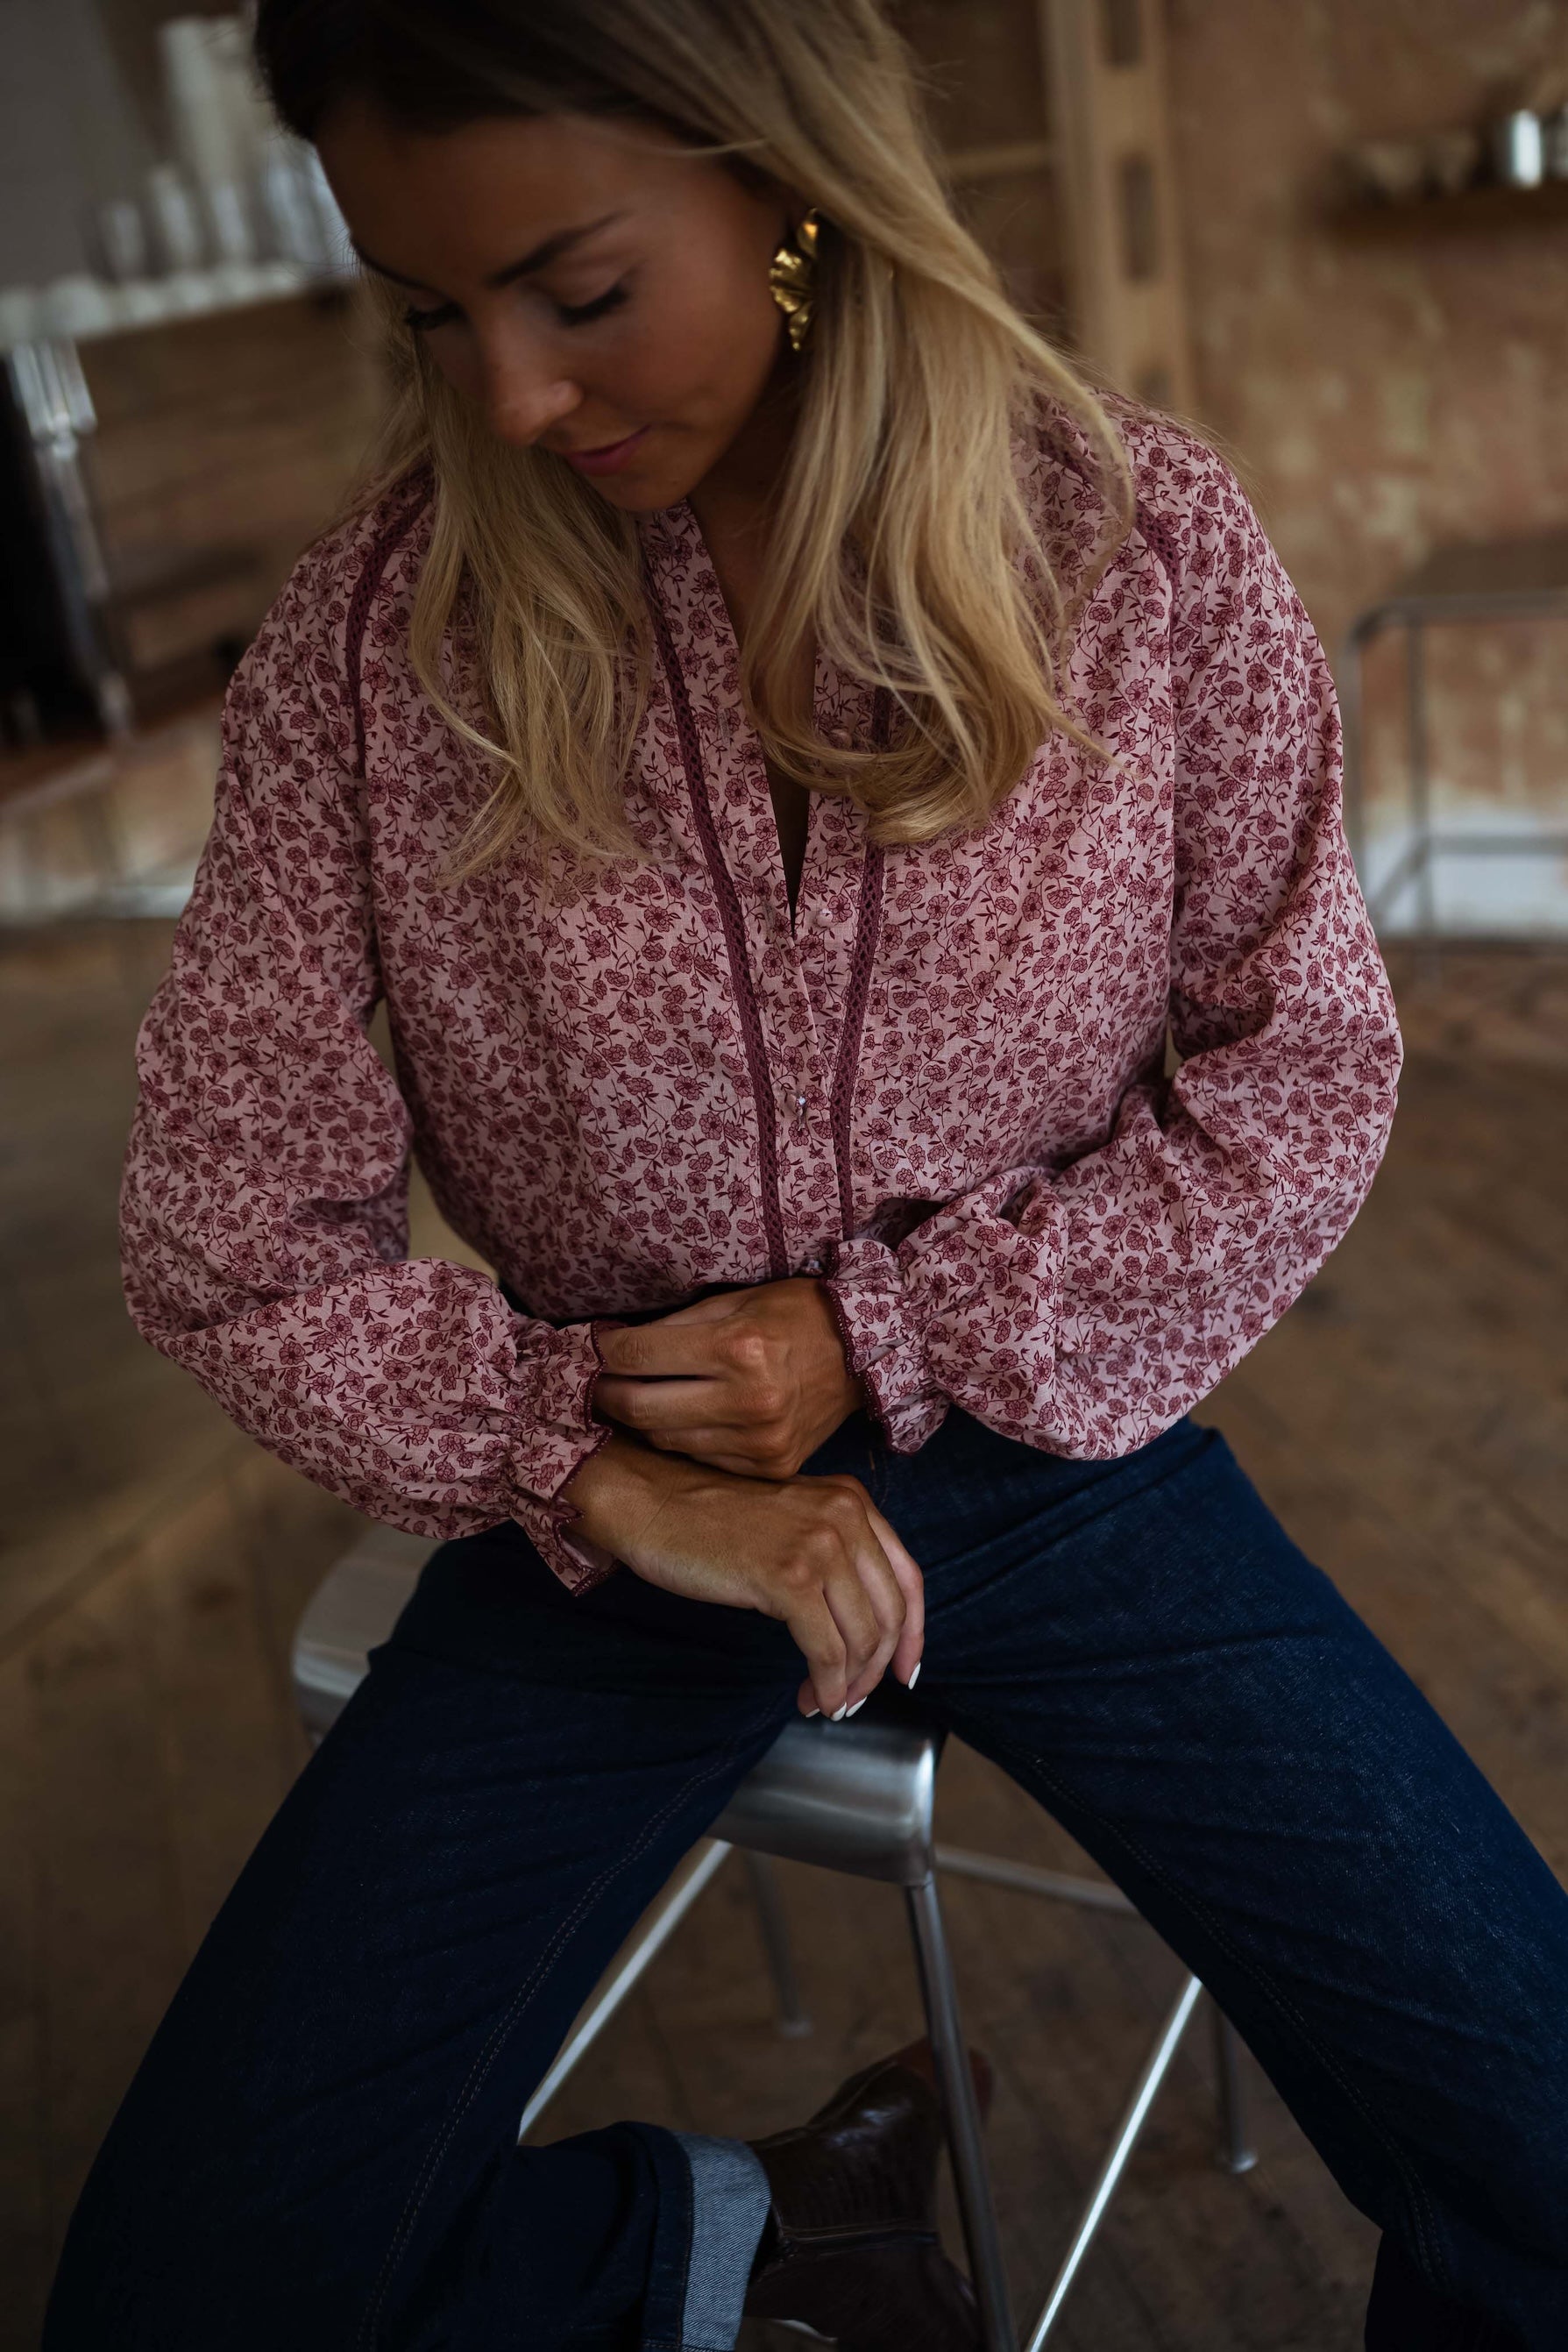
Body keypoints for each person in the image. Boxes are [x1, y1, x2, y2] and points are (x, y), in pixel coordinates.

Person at [43, 3, 1568, 2348]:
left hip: (1066, 1464)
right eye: (429, 315)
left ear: (782, 184)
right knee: (181, 2300)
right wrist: (584, 1456)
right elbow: (229, 1236)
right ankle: (734, 2242)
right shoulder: (369, 653)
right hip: (614, 1504)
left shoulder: (1144, 552)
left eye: (573, 291)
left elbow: (1304, 1075)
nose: (511, 401)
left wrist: (882, 1334)